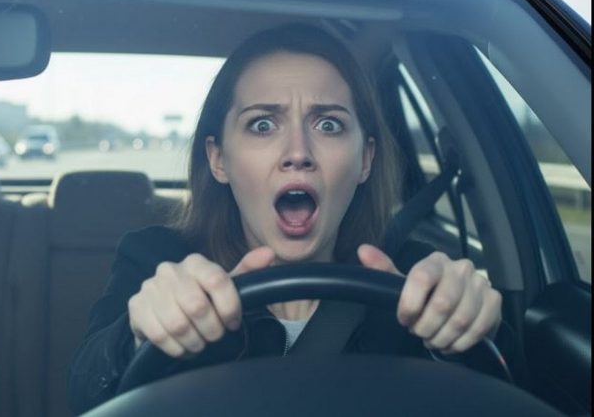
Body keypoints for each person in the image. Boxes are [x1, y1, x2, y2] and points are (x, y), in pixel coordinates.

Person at [68, 24, 503, 413]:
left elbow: (495, 395)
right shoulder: (157, 259)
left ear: (365, 159)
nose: (298, 152)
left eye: (328, 125)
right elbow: (85, 395)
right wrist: (137, 336)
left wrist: (463, 332)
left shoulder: (412, 281)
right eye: (262, 125)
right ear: (218, 160)